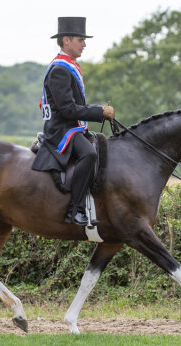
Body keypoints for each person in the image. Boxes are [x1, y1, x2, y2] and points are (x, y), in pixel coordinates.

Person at [32, 17, 115, 226]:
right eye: (80, 39)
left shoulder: (70, 66)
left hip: (72, 126)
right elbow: (67, 110)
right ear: (66, 40)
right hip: (62, 129)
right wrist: (99, 112)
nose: (84, 44)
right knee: (89, 154)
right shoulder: (60, 69)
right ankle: (75, 210)